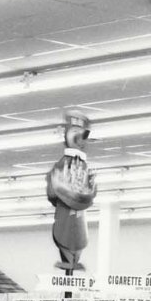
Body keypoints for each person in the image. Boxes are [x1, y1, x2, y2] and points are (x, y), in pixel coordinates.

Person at [46, 109, 97, 271]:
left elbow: (90, 190)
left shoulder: (84, 167)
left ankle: (73, 261)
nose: (80, 139)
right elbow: (53, 192)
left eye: (82, 135)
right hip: (66, 217)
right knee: (67, 232)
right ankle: (69, 260)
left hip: (79, 218)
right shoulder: (62, 165)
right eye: (75, 132)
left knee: (76, 234)